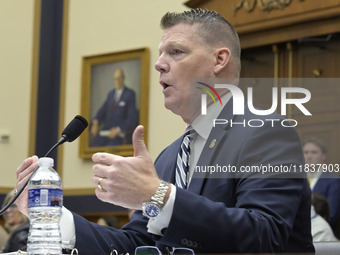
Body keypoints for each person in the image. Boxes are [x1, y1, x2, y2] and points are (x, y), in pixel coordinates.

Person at [15, 9, 314, 254]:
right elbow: (136, 245)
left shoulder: (268, 133)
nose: (159, 64)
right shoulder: (169, 157)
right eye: (161, 54)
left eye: (176, 52)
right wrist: (51, 215)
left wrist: (159, 195)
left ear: (219, 60)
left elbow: (264, 237)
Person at [90, 68, 138, 147]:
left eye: (119, 78)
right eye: (115, 79)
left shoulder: (129, 94)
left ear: (123, 78)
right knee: (94, 146)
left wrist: (118, 129)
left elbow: (132, 119)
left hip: (119, 135)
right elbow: (102, 110)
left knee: (109, 151)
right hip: (106, 132)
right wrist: (95, 122)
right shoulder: (111, 94)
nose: (117, 81)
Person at [303, 137, 340, 237]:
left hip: (323, 236)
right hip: (301, 237)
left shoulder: (334, 180)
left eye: (314, 152)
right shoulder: (297, 179)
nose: (309, 156)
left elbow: (331, 215)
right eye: (306, 152)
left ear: (323, 156)